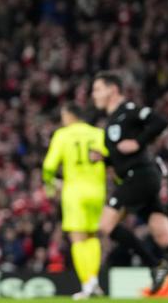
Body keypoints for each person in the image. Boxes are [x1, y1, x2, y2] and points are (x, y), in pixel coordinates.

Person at [91, 71, 168, 294]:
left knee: (105, 225)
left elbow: (160, 121)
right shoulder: (111, 121)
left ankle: (155, 266)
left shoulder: (128, 110)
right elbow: (121, 154)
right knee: (164, 236)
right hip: (141, 178)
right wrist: (104, 159)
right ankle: (159, 265)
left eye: (97, 89)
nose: (93, 95)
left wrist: (139, 141)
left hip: (139, 176)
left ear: (112, 90)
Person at [42, 103, 106, 299]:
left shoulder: (63, 135)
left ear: (69, 116)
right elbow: (108, 159)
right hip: (97, 190)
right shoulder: (98, 134)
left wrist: (50, 184)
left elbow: (49, 165)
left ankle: (87, 284)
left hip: (74, 191)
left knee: (77, 238)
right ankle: (94, 281)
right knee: (92, 236)